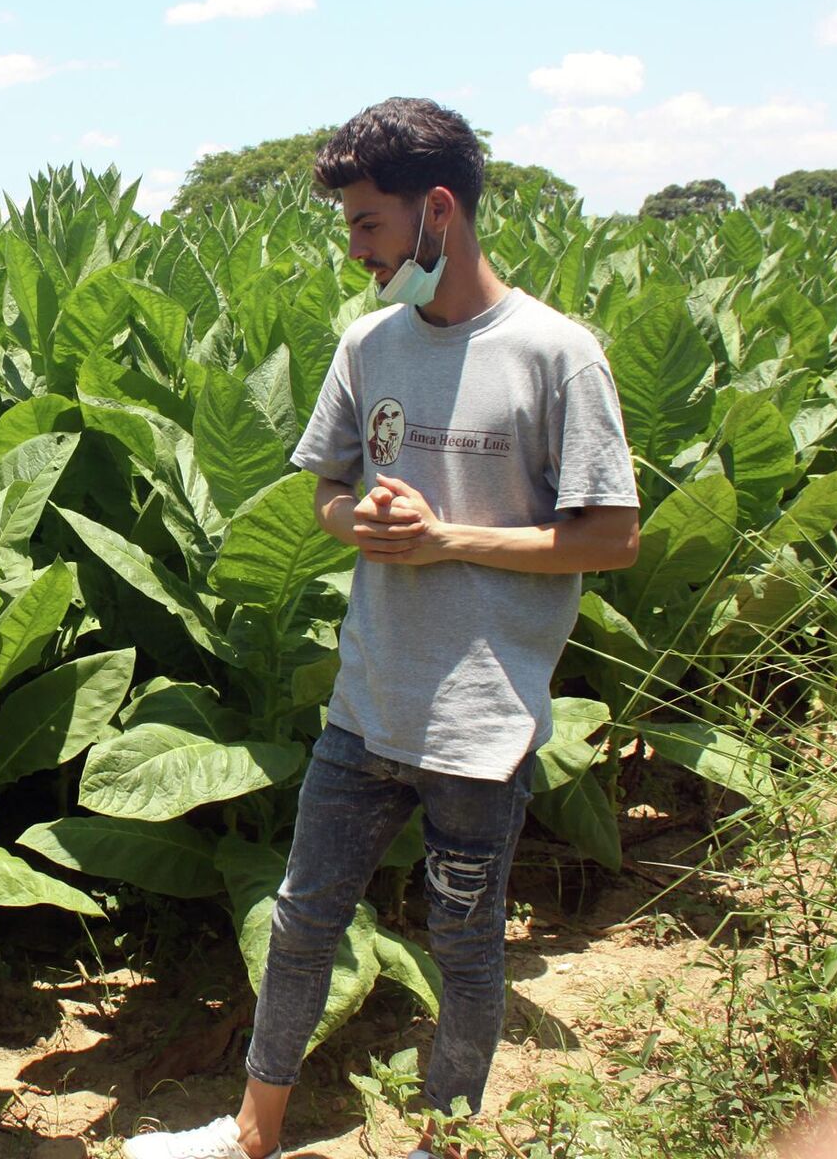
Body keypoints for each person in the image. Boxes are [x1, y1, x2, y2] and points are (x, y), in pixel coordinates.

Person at [123, 98, 642, 1159]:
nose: (356, 250)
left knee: (463, 942)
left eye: (367, 225)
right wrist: (355, 517)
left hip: (482, 719)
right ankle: (254, 1133)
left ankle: (444, 1142)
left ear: (437, 211)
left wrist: (449, 537)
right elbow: (324, 492)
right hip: (367, 700)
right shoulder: (369, 345)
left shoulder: (555, 354)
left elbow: (611, 537)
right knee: (302, 920)